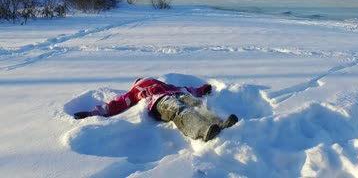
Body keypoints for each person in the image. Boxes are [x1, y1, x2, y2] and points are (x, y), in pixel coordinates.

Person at [74, 77, 238, 142]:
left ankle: (220, 122)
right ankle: (202, 129)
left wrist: (202, 90)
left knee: (196, 103)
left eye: (151, 81)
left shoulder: (168, 86)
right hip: (159, 102)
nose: (150, 83)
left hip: (176, 94)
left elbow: (187, 88)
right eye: (144, 82)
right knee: (178, 109)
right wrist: (91, 113)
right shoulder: (135, 92)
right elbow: (115, 105)